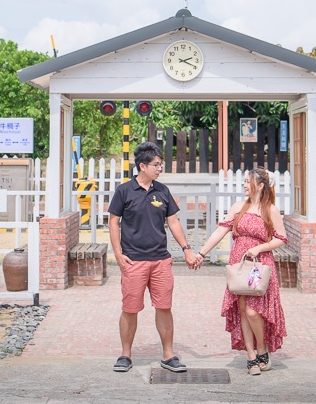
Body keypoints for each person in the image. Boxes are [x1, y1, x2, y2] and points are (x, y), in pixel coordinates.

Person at [108, 141, 202, 373]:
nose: (160, 168)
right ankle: (125, 355)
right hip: (133, 261)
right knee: (130, 308)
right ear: (142, 165)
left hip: (160, 260)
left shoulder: (162, 191)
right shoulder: (124, 191)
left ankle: (168, 355)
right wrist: (118, 254)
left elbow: (173, 222)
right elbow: (113, 222)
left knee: (164, 307)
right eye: (156, 164)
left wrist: (186, 249)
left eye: (161, 164)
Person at [196, 167, 288, 376]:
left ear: (261, 185)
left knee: (253, 311)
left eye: (249, 182)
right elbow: (221, 231)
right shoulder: (238, 207)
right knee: (242, 309)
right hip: (239, 264)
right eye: (245, 181)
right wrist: (201, 253)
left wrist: (259, 247)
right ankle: (250, 356)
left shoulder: (270, 210)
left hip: (258, 265)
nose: (245, 185)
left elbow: (281, 238)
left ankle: (262, 348)